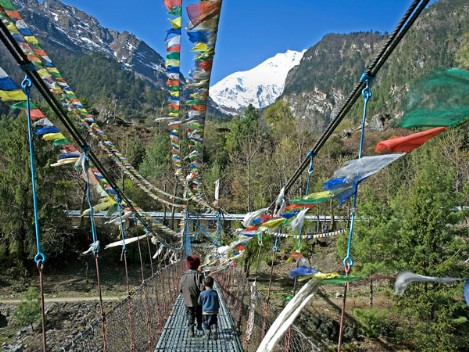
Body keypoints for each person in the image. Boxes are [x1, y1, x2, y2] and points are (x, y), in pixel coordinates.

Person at [179, 255, 205, 337]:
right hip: (198, 300)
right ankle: (200, 324)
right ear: (198, 264)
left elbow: (180, 288)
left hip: (188, 300)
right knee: (199, 312)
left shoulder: (184, 275)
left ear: (187, 264)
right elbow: (202, 287)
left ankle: (191, 330)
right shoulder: (200, 275)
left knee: (190, 314)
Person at [198, 275, 220, 340]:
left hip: (205, 312)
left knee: (206, 324)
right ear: (213, 284)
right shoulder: (215, 292)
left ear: (204, 284)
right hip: (214, 312)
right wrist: (217, 307)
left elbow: (199, 302)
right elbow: (217, 301)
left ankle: (207, 335)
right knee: (214, 322)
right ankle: (214, 329)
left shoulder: (202, 293)